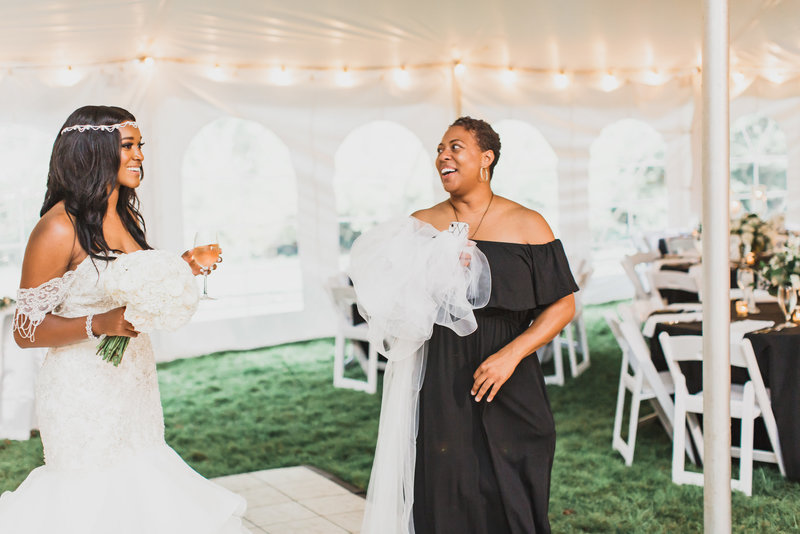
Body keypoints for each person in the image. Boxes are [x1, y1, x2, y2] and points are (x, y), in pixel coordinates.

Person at [0, 106, 249, 534]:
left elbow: (133, 283)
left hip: (133, 384)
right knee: (96, 496)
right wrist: (96, 324)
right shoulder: (58, 228)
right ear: (93, 152)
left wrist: (184, 268)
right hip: (82, 392)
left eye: (141, 147)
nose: (140, 157)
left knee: (144, 485)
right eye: (128, 146)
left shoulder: (126, 216)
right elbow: (25, 331)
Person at [409, 117, 578, 533]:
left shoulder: (528, 224)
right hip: (443, 373)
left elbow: (563, 304)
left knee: (517, 477)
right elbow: (399, 300)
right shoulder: (419, 224)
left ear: (487, 158)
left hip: (510, 370)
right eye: (439, 149)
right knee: (450, 483)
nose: (443, 156)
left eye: (455, 147)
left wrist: (511, 355)